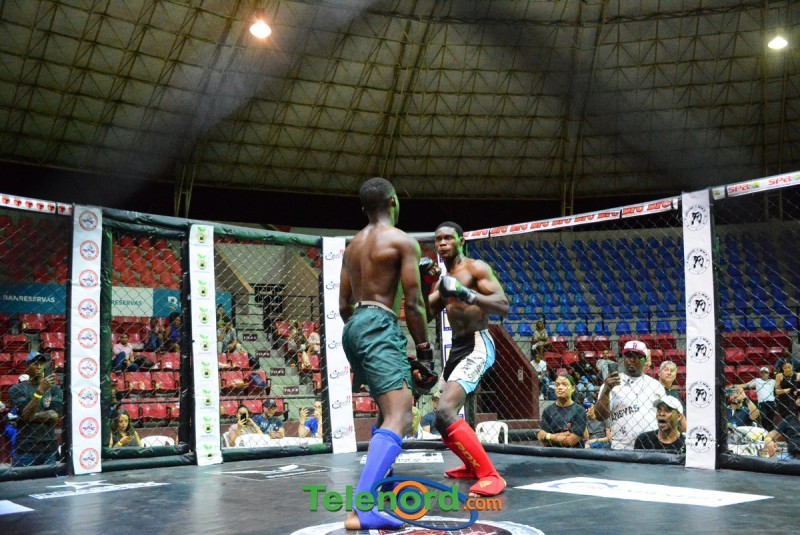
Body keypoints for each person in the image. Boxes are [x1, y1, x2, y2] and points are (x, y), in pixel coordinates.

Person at [338, 177, 436, 530]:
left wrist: (366, 333)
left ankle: (377, 494)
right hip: (379, 324)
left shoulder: (352, 246)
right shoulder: (401, 241)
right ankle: (362, 508)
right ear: (394, 201)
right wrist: (424, 351)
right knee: (401, 414)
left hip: (354, 326)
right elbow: (414, 303)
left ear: (364, 207)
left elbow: (343, 305)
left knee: (386, 411)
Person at [426, 221, 509, 497]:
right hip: (457, 348)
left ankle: (491, 476)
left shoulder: (476, 268)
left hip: (478, 343)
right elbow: (426, 313)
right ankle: (472, 465)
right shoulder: (442, 279)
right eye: (438, 239)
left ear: (461, 241)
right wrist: (427, 284)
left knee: (445, 410)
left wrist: (467, 294)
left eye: (448, 238)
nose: (442, 243)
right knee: (441, 419)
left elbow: (503, 306)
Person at [594, 340, 666, 450]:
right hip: (621, 447)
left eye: (637, 356)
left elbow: (664, 416)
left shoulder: (656, 385)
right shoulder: (611, 383)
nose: (631, 360)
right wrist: (607, 390)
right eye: (628, 356)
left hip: (651, 446)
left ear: (645, 360)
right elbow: (600, 417)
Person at [9, 352, 63, 466]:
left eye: (41, 363)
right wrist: (39, 392)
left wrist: (28, 416)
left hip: (48, 448)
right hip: (25, 448)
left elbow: (54, 416)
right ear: (27, 367)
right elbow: (26, 415)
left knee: (49, 478)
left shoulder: (55, 389)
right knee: (22, 478)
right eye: (35, 363)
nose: (39, 366)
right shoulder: (16, 389)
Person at [537, 373, 586, 447]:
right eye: (557, 384)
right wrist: (566, 434)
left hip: (573, 453)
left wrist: (548, 436)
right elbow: (544, 441)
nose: (560, 387)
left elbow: (572, 441)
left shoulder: (579, 410)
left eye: (564, 384)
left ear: (573, 388)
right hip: (552, 452)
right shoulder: (548, 411)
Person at [763, 394, 800, 459]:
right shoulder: (790, 419)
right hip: (791, 457)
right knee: (773, 461)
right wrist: (768, 439)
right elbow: (773, 433)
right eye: (799, 398)